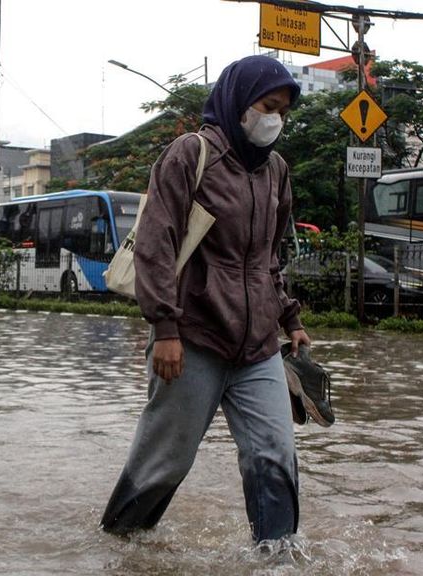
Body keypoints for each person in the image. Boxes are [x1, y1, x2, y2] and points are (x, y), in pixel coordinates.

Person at [99, 56, 312, 548]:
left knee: (274, 453)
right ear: (239, 101)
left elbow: (268, 259)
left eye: (282, 110)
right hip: (192, 337)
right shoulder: (190, 154)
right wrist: (165, 331)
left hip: (257, 343)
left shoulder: (276, 171)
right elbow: (155, 248)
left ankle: (277, 555)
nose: (274, 119)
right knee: (166, 458)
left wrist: (290, 317)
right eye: (267, 105)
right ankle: (119, 544)